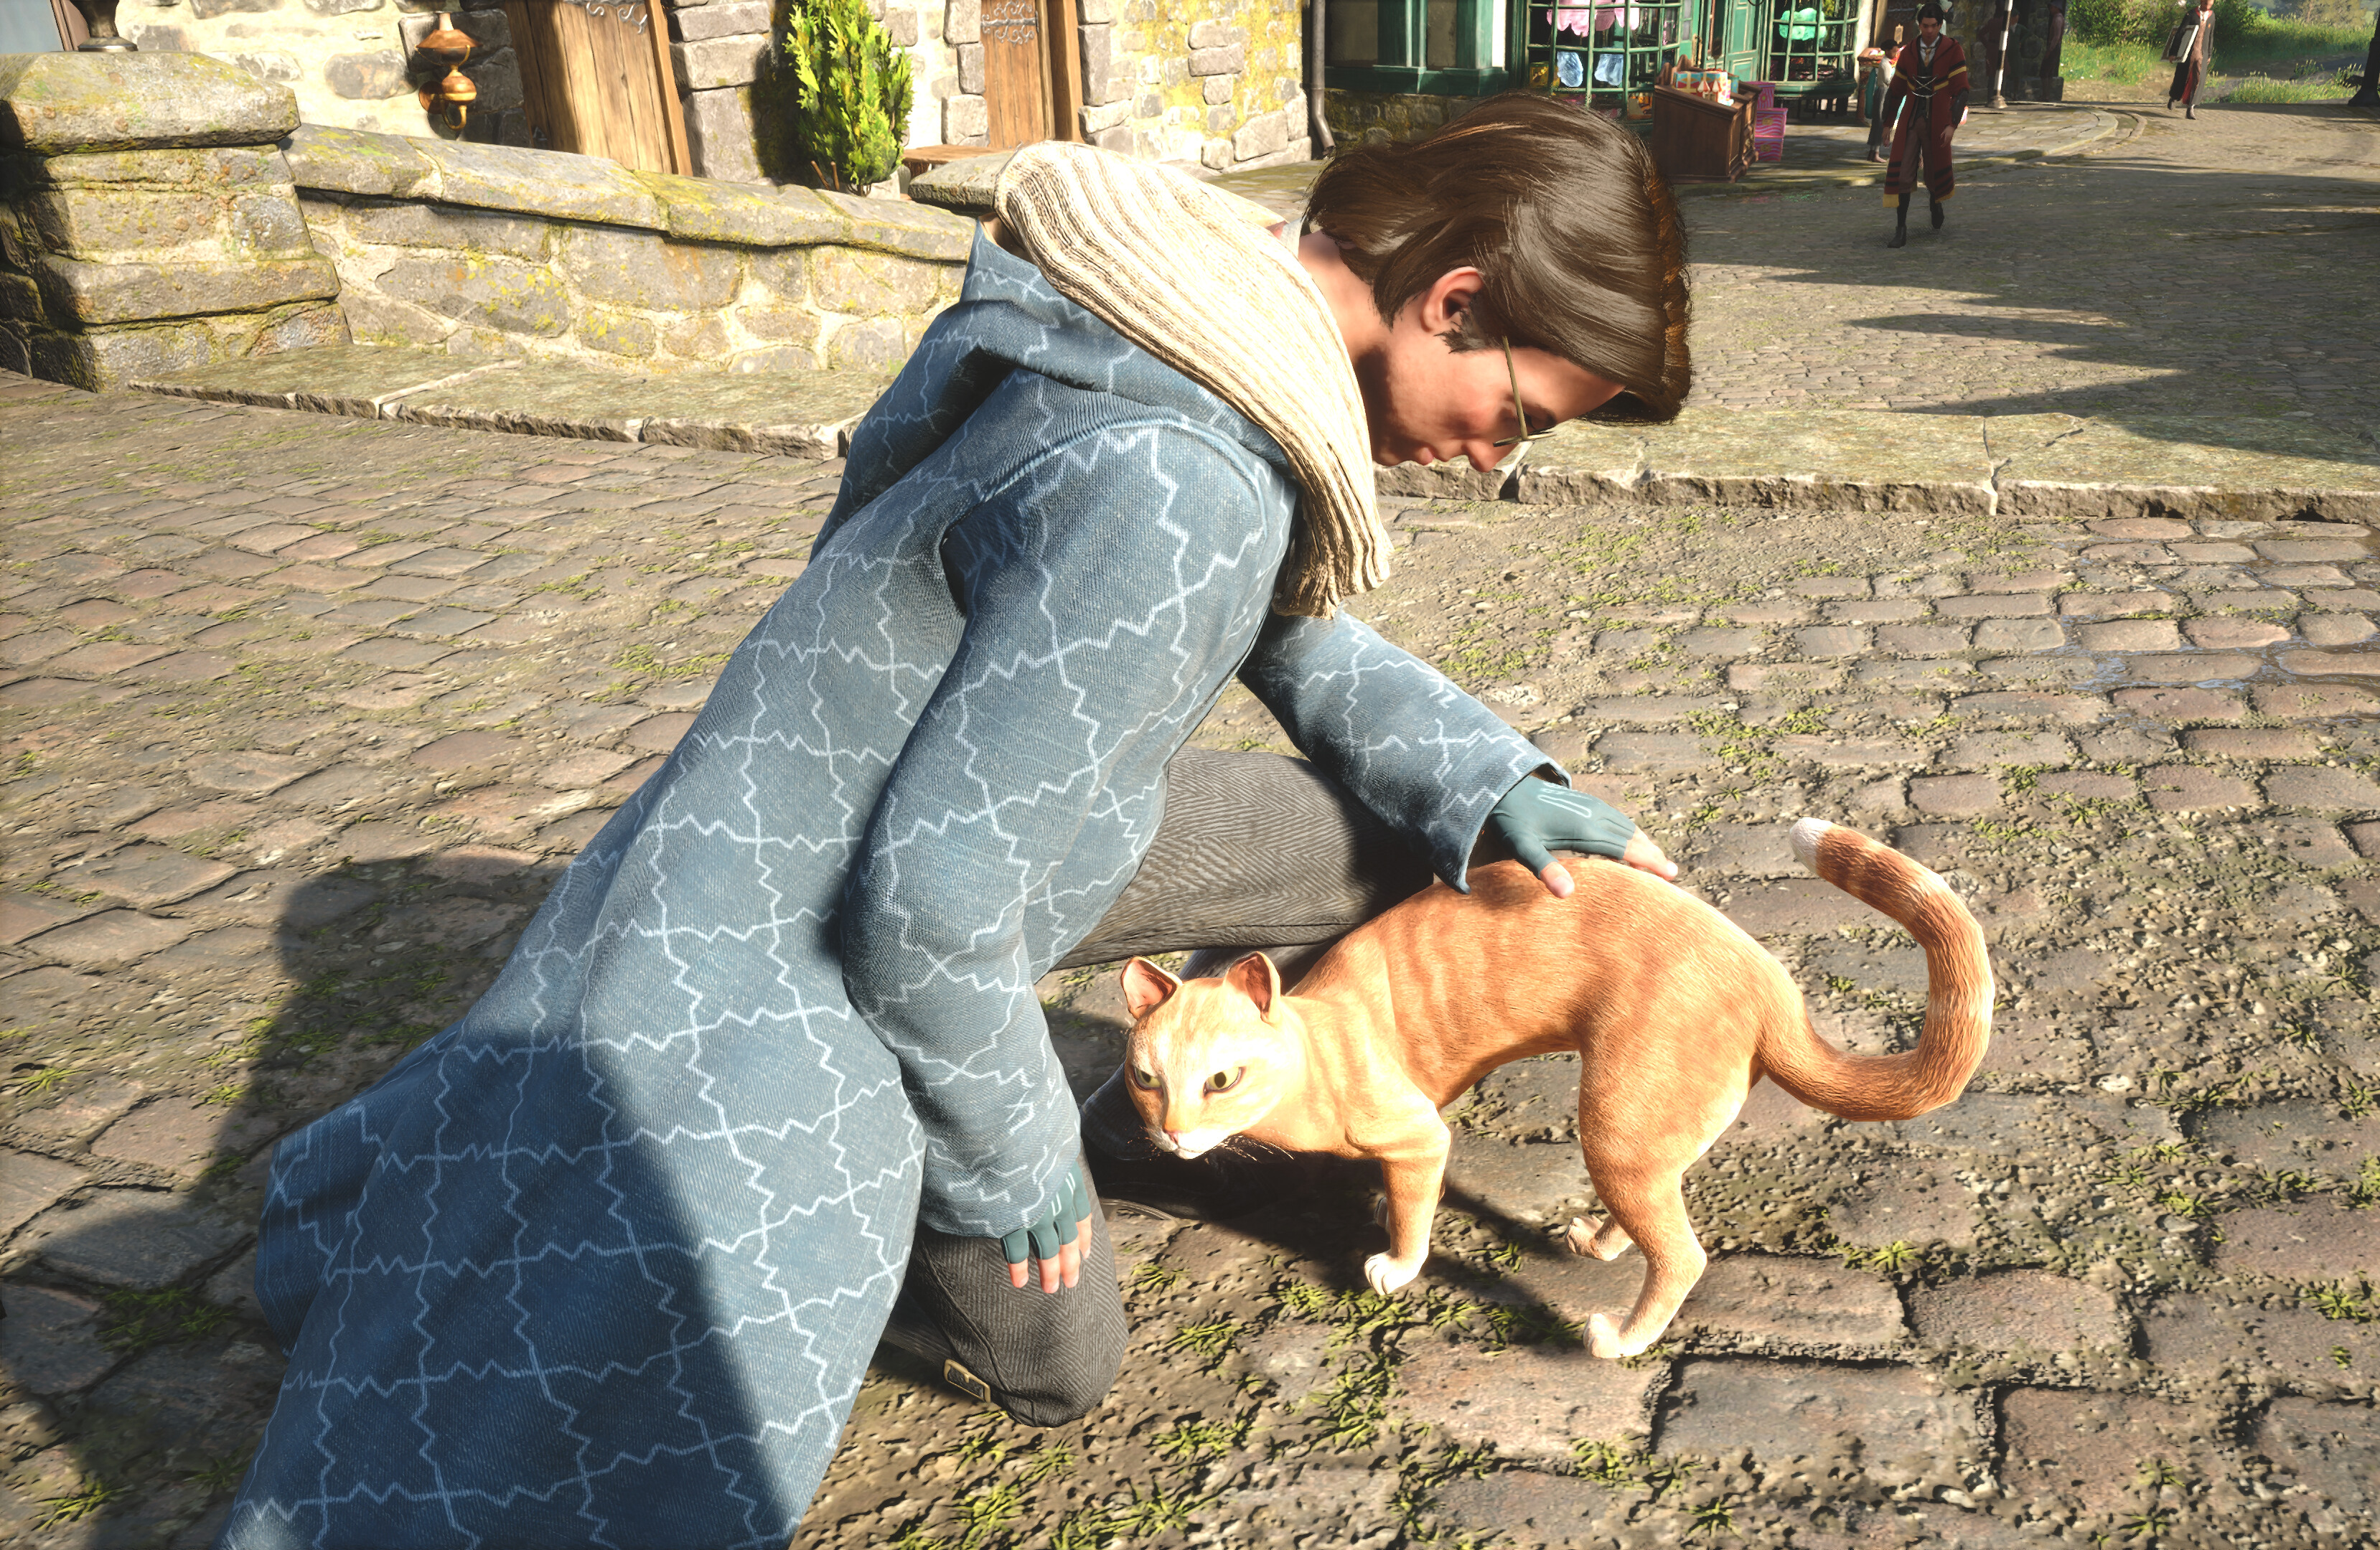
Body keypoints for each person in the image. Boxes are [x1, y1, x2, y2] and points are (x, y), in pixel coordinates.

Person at [220, 93, 1690, 1550]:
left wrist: (1490, 784)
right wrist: (1020, 1163)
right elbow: (923, 918)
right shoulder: (1189, 479)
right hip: (837, 947)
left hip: (942, 820)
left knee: (1392, 836)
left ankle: (1194, 1059)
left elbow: (1272, 624)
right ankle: (936, 1187)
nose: (1497, 462)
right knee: (1061, 1366)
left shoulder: (1172, 315)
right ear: (1454, 300)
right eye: (1518, 418)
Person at [1881, 1, 1968, 248]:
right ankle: (1901, 229)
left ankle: (1935, 203)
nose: (1929, 30)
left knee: (1933, 169)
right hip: (1911, 119)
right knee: (1903, 173)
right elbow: (1896, 89)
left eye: (1934, 26)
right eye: (1925, 25)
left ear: (1940, 25)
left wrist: (1951, 124)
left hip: (1938, 119)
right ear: (1919, 25)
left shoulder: (1953, 50)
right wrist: (1887, 124)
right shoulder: (1909, 51)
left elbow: (1961, 91)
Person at [2166, 0, 2216, 118]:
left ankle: (2191, 108)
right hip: (2188, 52)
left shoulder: (2212, 16)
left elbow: (2211, 35)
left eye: (2210, 5)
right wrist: (2173, 52)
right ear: (2201, 2)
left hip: (2202, 54)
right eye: (2206, 4)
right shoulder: (2191, 15)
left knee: (2197, 80)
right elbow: (2180, 33)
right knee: (2182, 76)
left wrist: (2209, 54)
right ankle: (2174, 97)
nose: (2207, 7)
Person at [1859, 37, 1898, 161]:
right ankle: (1875, 153)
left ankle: (1873, 152)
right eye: (1894, 51)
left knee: (1877, 123)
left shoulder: (1886, 63)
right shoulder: (1885, 64)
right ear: (1887, 51)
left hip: (1881, 92)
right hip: (1883, 93)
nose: (1895, 54)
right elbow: (1887, 81)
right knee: (1880, 123)